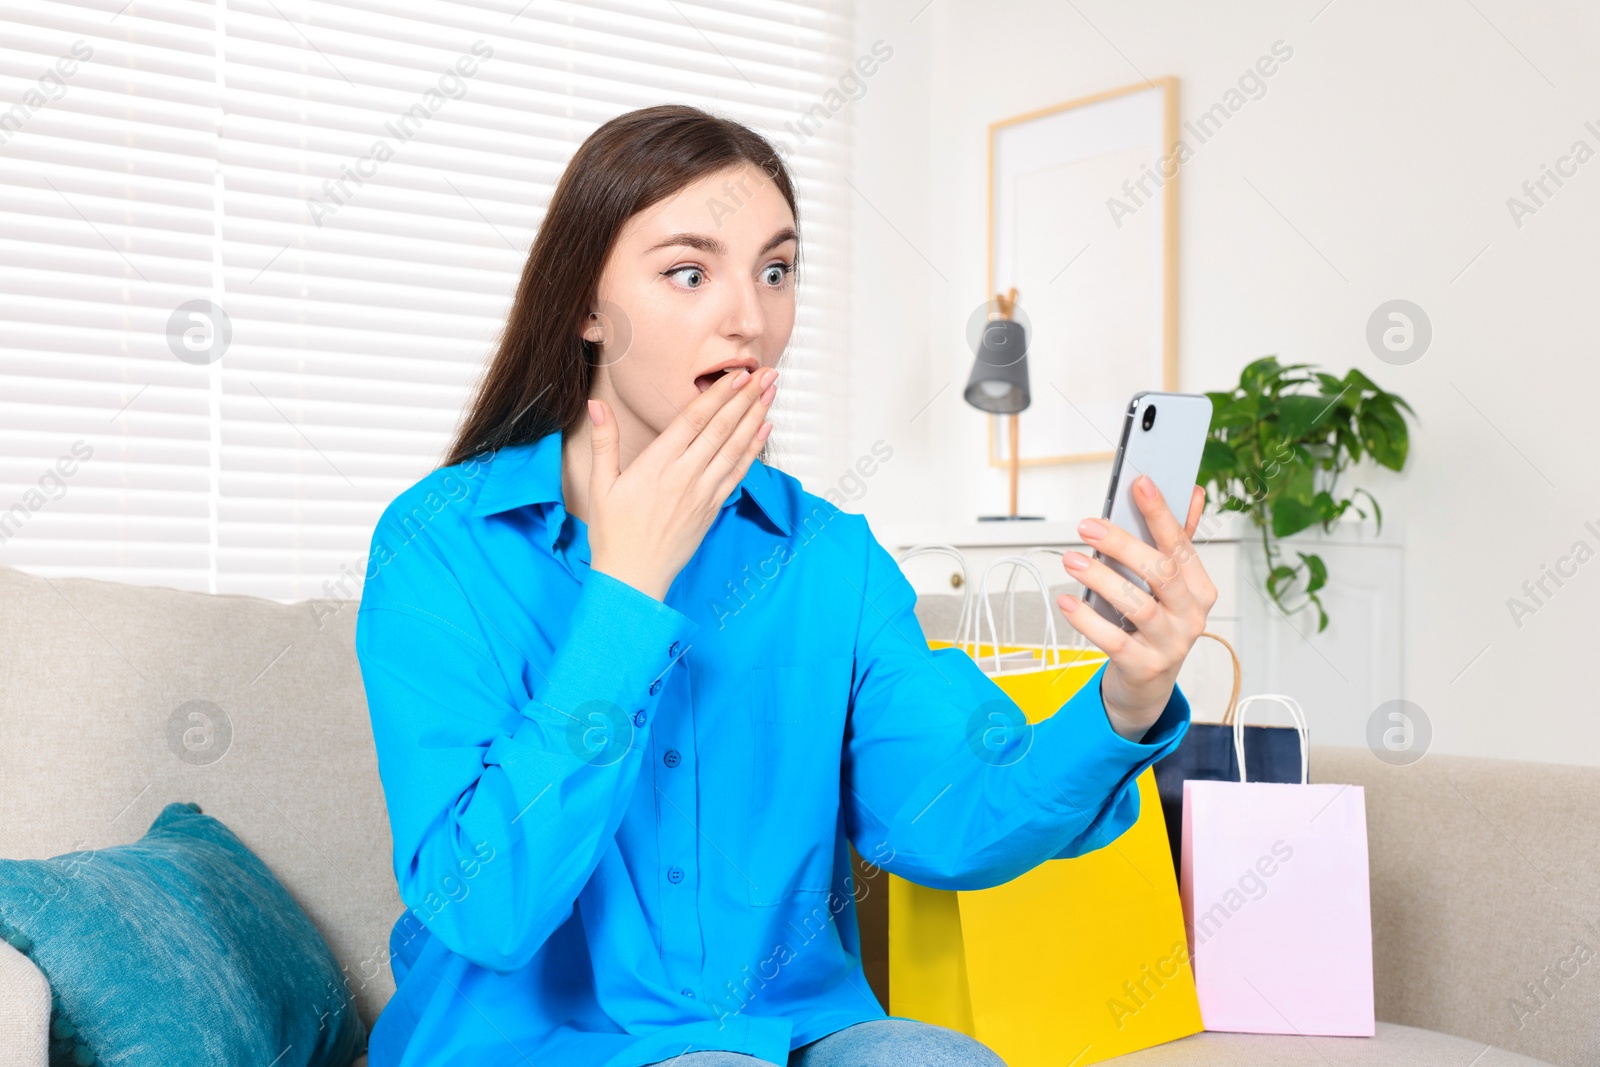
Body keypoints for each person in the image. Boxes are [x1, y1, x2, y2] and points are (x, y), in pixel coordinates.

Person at [353, 103, 1216, 1067]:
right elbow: (485, 905)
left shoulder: (826, 556)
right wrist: (627, 596)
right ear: (586, 306)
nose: (751, 318)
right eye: (690, 272)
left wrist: (1125, 702)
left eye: (777, 269)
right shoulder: (441, 543)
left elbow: (946, 808)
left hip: (793, 1031)